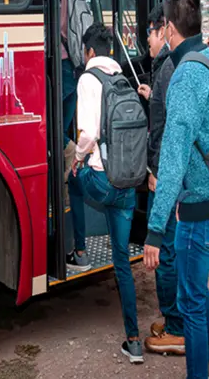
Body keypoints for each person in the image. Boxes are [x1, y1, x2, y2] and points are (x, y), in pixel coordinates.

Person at [145, 0, 209, 379]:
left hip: (199, 203)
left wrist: (153, 230)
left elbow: (173, 160)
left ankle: (203, 372)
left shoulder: (183, 79)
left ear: (167, 29)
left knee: (190, 300)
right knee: (193, 285)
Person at [66, 24, 143, 364]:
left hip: (101, 182)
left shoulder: (88, 79)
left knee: (71, 181)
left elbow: (87, 134)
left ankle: (79, 249)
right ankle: (134, 341)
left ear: (89, 53)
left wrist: (78, 162)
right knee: (122, 261)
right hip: (128, 185)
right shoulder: (123, 78)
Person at [135, 4, 185, 356]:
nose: (147, 43)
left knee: (164, 253)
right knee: (169, 250)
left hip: (163, 175)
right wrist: (151, 96)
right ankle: (173, 319)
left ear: (163, 30)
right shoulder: (169, 67)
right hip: (170, 173)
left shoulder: (167, 67)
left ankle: (177, 328)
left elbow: (165, 131)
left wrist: (155, 174)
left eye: (149, 35)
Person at [59, 0, 78, 147]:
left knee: (55, 132)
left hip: (62, 62)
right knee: (63, 127)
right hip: (72, 62)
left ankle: (73, 162)